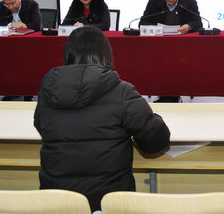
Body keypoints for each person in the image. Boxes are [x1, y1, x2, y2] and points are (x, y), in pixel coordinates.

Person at [34, 26, 170, 211]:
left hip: (56, 204)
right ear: (105, 56)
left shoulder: (48, 91)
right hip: (107, 204)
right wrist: (153, 118)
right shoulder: (122, 91)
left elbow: (41, 126)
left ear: (68, 55)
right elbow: (155, 142)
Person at [140, 0, 202, 103]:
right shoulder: (154, 2)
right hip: (159, 45)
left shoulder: (189, 3)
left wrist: (189, 26)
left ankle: (175, 93)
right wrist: (154, 28)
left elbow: (198, 22)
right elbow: (143, 22)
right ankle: (163, 92)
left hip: (182, 45)